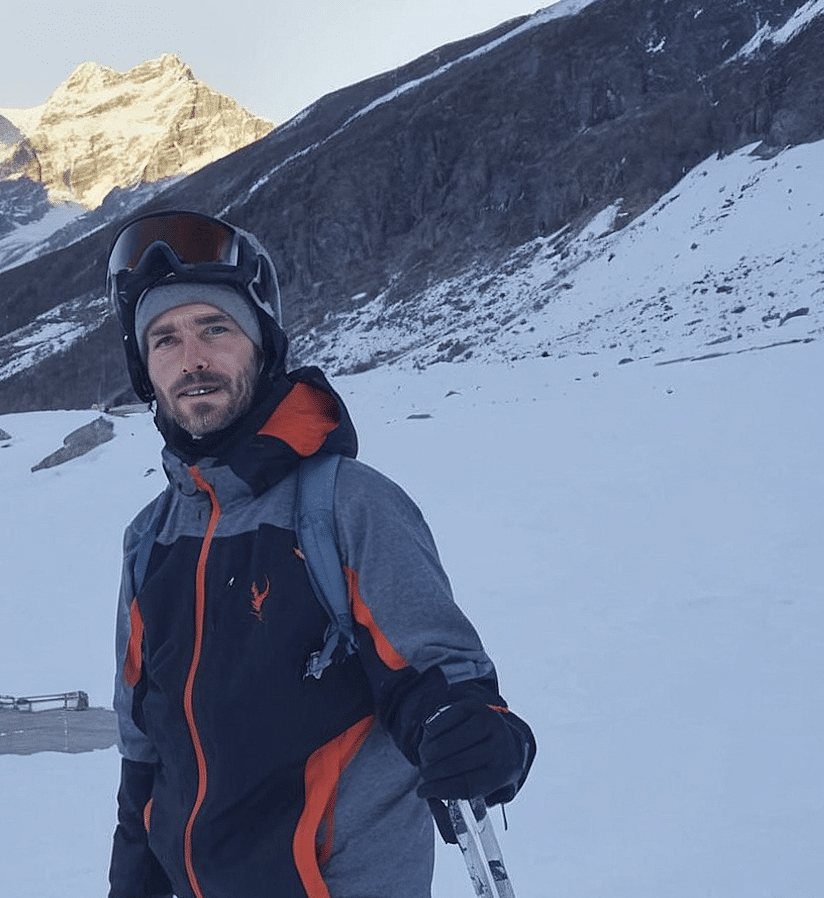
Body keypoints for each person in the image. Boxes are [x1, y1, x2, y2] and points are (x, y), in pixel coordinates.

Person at [105, 210, 535, 898]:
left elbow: (437, 679)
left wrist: (479, 734)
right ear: (145, 368)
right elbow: (144, 759)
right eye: (164, 339)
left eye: (215, 329)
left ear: (261, 344)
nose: (192, 360)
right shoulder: (148, 541)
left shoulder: (347, 507)